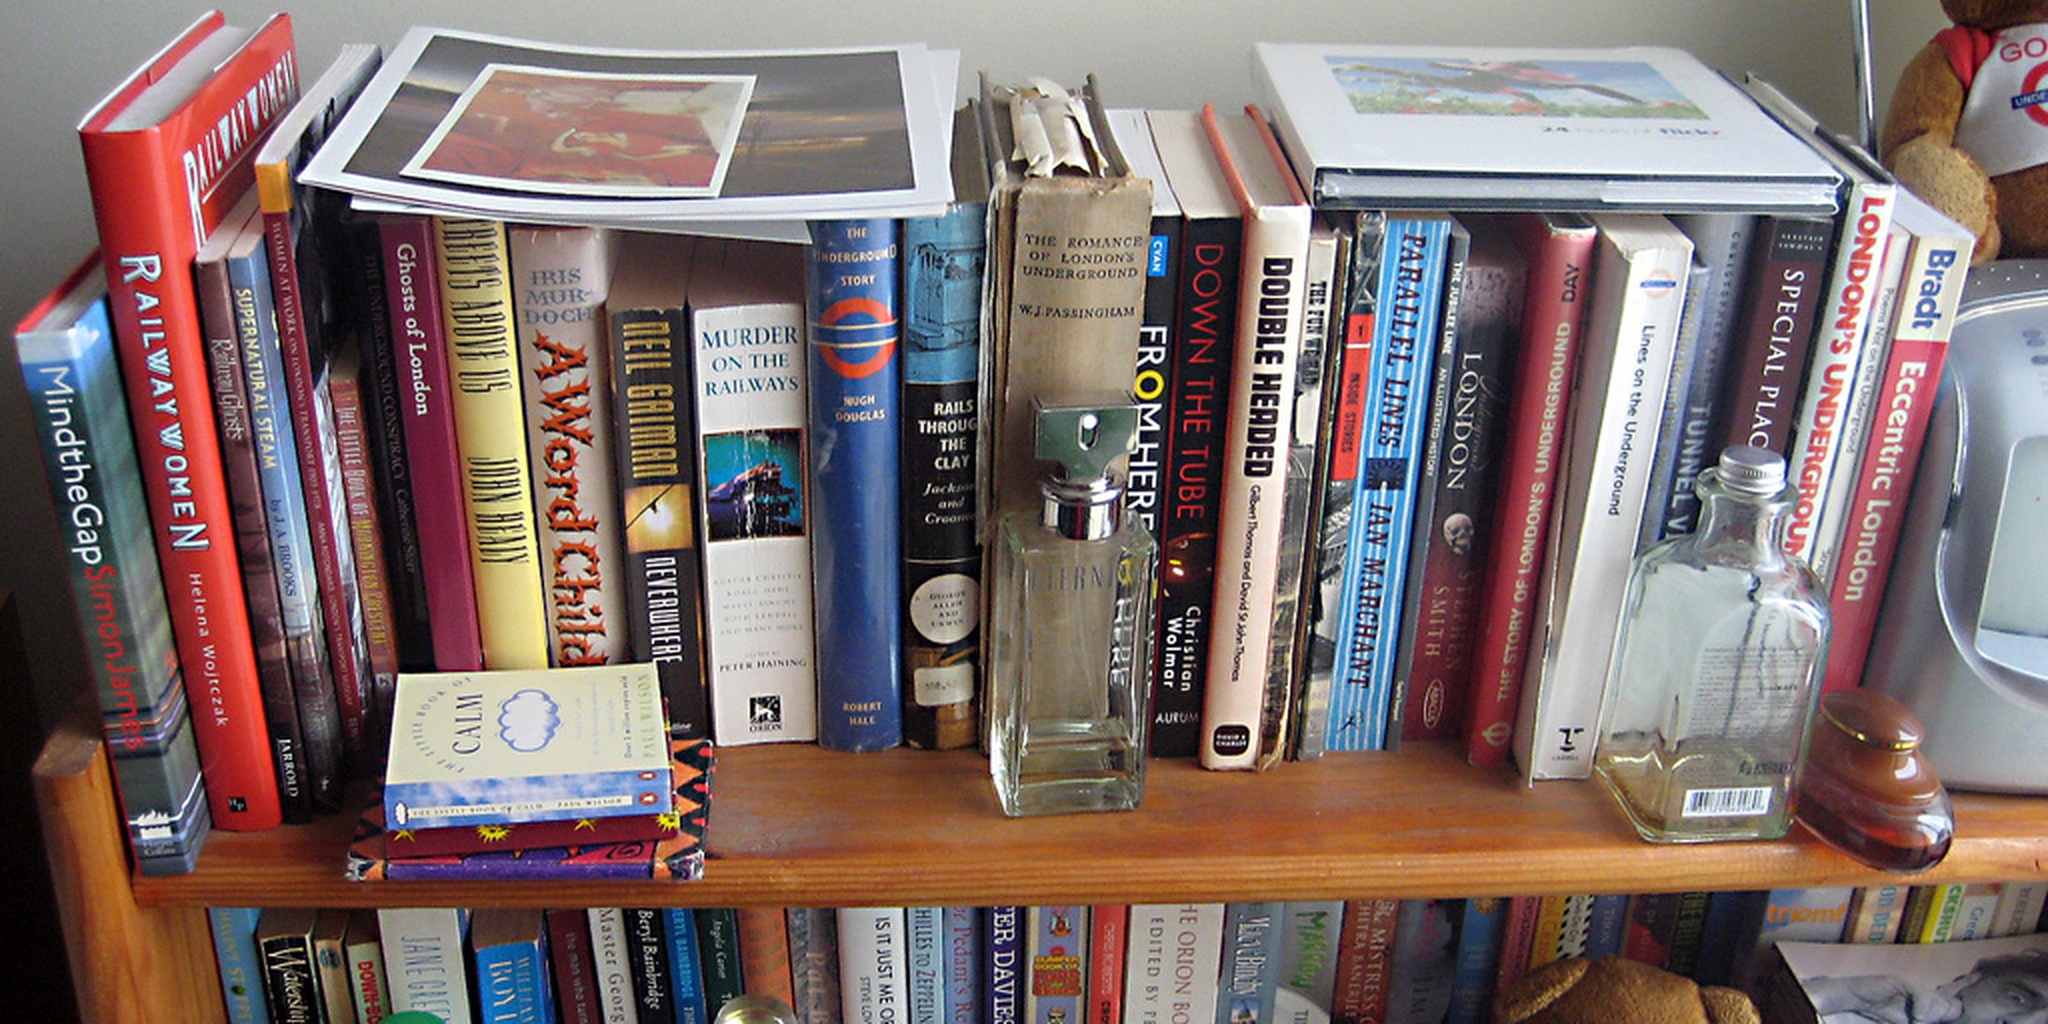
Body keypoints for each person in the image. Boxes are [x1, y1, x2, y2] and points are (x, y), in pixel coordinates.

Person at [1803, 948, 2048, 1023]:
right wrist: (1844, 996)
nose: (2018, 1023)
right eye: (2016, 999)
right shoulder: (1860, 1010)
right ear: (1970, 980)